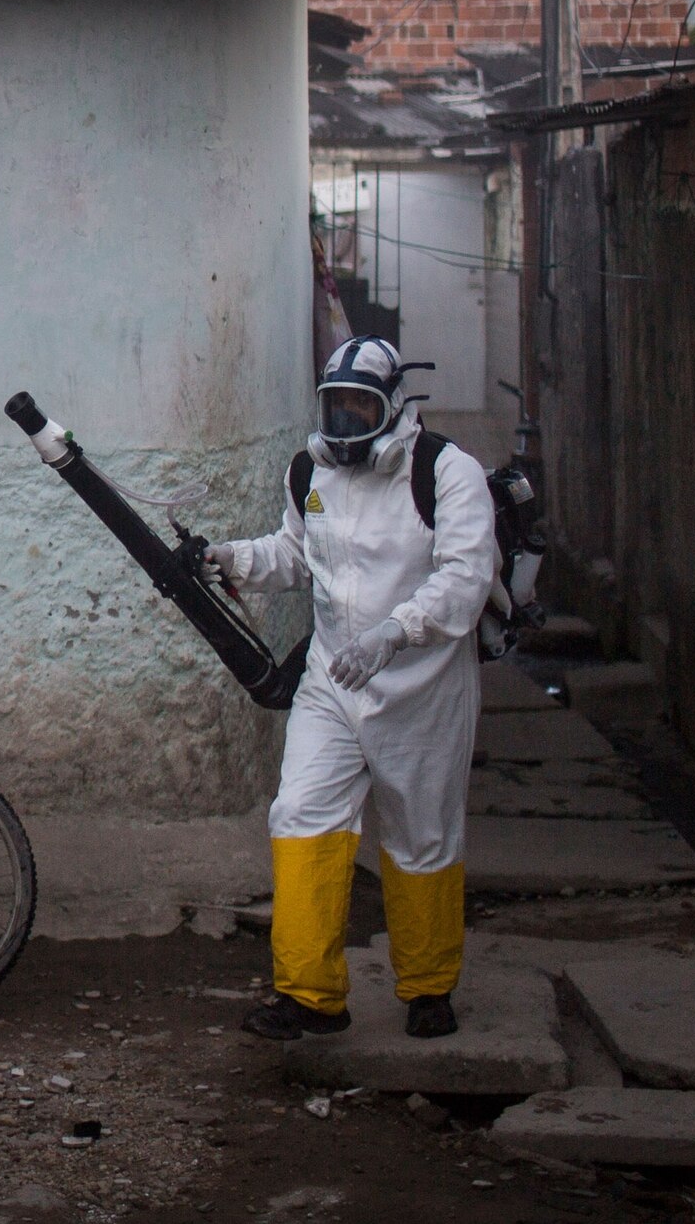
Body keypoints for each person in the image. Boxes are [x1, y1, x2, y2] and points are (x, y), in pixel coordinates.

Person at [208, 337, 499, 1043]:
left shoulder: (446, 472)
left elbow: (466, 574)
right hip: (334, 682)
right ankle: (309, 994)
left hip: (422, 690)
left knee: (421, 834)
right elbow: (296, 550)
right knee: (301, 813)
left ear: (394, 404)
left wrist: (395, 633)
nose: (344, 420)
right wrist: (236, 558)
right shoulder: (310, 471)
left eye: (359, 406)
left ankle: (429, 987)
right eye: (335, 405)